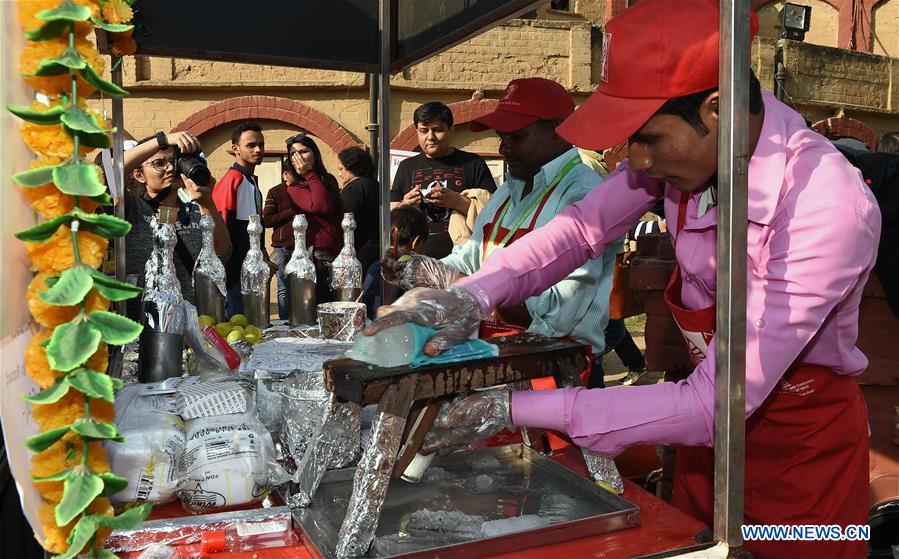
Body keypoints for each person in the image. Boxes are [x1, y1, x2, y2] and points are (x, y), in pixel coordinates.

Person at [366, 2, 880, 557]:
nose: (634, 160)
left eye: (648, 138)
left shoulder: (825, 206)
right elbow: (580, 231)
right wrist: (470, 295)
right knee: (694, 543)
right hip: (701, 435)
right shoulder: (691, 157)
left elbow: (716, 404)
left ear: (717, 110)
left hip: (800, 455)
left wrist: (507, 408)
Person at [386, 78, 617, 366]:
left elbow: (560, 312)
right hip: (499, 353)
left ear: (560, 131)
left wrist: (481, 291)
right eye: (501, 136)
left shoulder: (583, 193)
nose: (504, 147)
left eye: (516, 136)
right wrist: (424, 270)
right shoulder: (509, 190)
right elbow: (470, 258)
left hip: (559, 366)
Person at [121, 130, 230, 321]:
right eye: (159, 163)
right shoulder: (132, 209)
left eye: (174, 161)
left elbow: (223, 253)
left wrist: (207, 203)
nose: (170, 168)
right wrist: (161, 140)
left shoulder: (195, 212)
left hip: (194, 323)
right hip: (143, 325)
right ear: (139, 174)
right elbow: (108, 174)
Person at [390, 101, 497, 258]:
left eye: (438, 130)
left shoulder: (473, 163)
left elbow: (494, 213)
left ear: (451, 130)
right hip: (414, 260)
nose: (430, 137)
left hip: (465, 260)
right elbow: (391, 217)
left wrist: (457, 201)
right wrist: (406, 205)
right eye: (423, 131)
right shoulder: (407, 166)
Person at [213, 121, 267, 318]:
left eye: (261, 144)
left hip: (249, 271)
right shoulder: (233, 180)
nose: (258, 149)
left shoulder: (250, 180)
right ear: (236, 149)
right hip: (234, 274)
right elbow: (223, 226)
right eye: (251, 145)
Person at [283, 133, 344, 305]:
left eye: (304, 152)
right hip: (316, 259)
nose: (299, 157)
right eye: (294, 154)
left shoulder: (328, 179)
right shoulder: (294, 187)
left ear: (315, 154)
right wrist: (309, 173)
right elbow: (320, 206)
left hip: (338, 256)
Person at [361, 205, 429, 317]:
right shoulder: (417, 272)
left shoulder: (374, 267)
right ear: (416, 242)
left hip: (371, 327)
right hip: (399, 329)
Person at [262, 156, 300, 319]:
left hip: (302, 247)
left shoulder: (305, 190)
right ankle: (284, 321)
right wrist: (291, 211)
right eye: (293, 174)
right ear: (285, 174)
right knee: (283, 287)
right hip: (281, 247)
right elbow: (267, 220)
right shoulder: (275, 191)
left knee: (300, 287)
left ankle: (300, 319)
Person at [337, 146, 381, 273]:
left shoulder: (353, 189)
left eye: (341, 169)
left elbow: (345, 223)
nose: (340, 174)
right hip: (378, 249)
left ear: (351, 167)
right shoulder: (376, 185)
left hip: (358, 252)